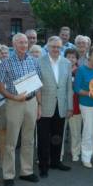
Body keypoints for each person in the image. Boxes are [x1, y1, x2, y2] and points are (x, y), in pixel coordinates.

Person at [0, 33, 42, 186]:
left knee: (29, 139)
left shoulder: (34, 61)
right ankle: (8, 174)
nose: (24, 45)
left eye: (25, 42)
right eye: (21, 42)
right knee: (11, 141)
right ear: (14, 44)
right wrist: (13, 97)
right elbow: (0, 87)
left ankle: (26, 171)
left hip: (31, 103)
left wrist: (39, 105)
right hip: (14, 104)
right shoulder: (6, 63)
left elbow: (38, 85)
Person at [37, 36, 73, 178]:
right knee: (44, 138)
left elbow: (69, 87)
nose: (56, 49)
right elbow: (37, 87)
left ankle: (56, 161)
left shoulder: (66, 63)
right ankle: (43, 166)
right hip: (45, 106)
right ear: (47, 47)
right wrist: (38, 105)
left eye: (58, 47)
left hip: (61, 106)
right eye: (53, 46)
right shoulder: (39, 62)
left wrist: (70, 107)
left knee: (57, 136)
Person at [65, 48, 82, 162]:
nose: (71, 59)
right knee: (59, 132)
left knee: (75, 132)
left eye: (73, 57)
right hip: (62, 105)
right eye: (68, 56)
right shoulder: (60, 69)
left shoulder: (80, 71)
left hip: (76, 104)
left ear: (76, 59)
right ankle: (58, 153)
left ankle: (75, 152)